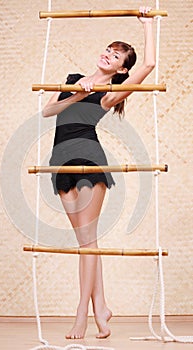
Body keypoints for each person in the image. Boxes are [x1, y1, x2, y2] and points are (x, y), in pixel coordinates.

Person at [42, 6, 155, 340]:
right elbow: (48, 111)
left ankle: (83, 316)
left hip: (89, 162)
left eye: (117, 55)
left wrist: (147, 25)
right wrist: (78, 92)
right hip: (60, 162)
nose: (109, 54)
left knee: (87, 245)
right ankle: (102, 307)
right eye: (108, 49)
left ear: (121, 68)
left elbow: (148, 65)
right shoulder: (73, 79)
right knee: (86, 243)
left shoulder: (111, 93)